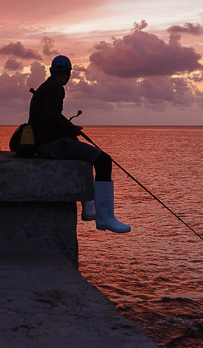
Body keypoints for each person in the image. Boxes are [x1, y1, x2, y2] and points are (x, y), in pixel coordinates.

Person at [28, 55, 131, 233]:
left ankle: (91, 209)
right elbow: (49, 115)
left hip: (46, 143)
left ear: (52, 71)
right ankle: (105, 218)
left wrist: (69, 129)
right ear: (68, 73)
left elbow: (48, 117)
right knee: (104, 160)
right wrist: (70, 127)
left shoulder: (46, 87)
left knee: (86, 158)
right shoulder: (56, 88)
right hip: (51, 146)